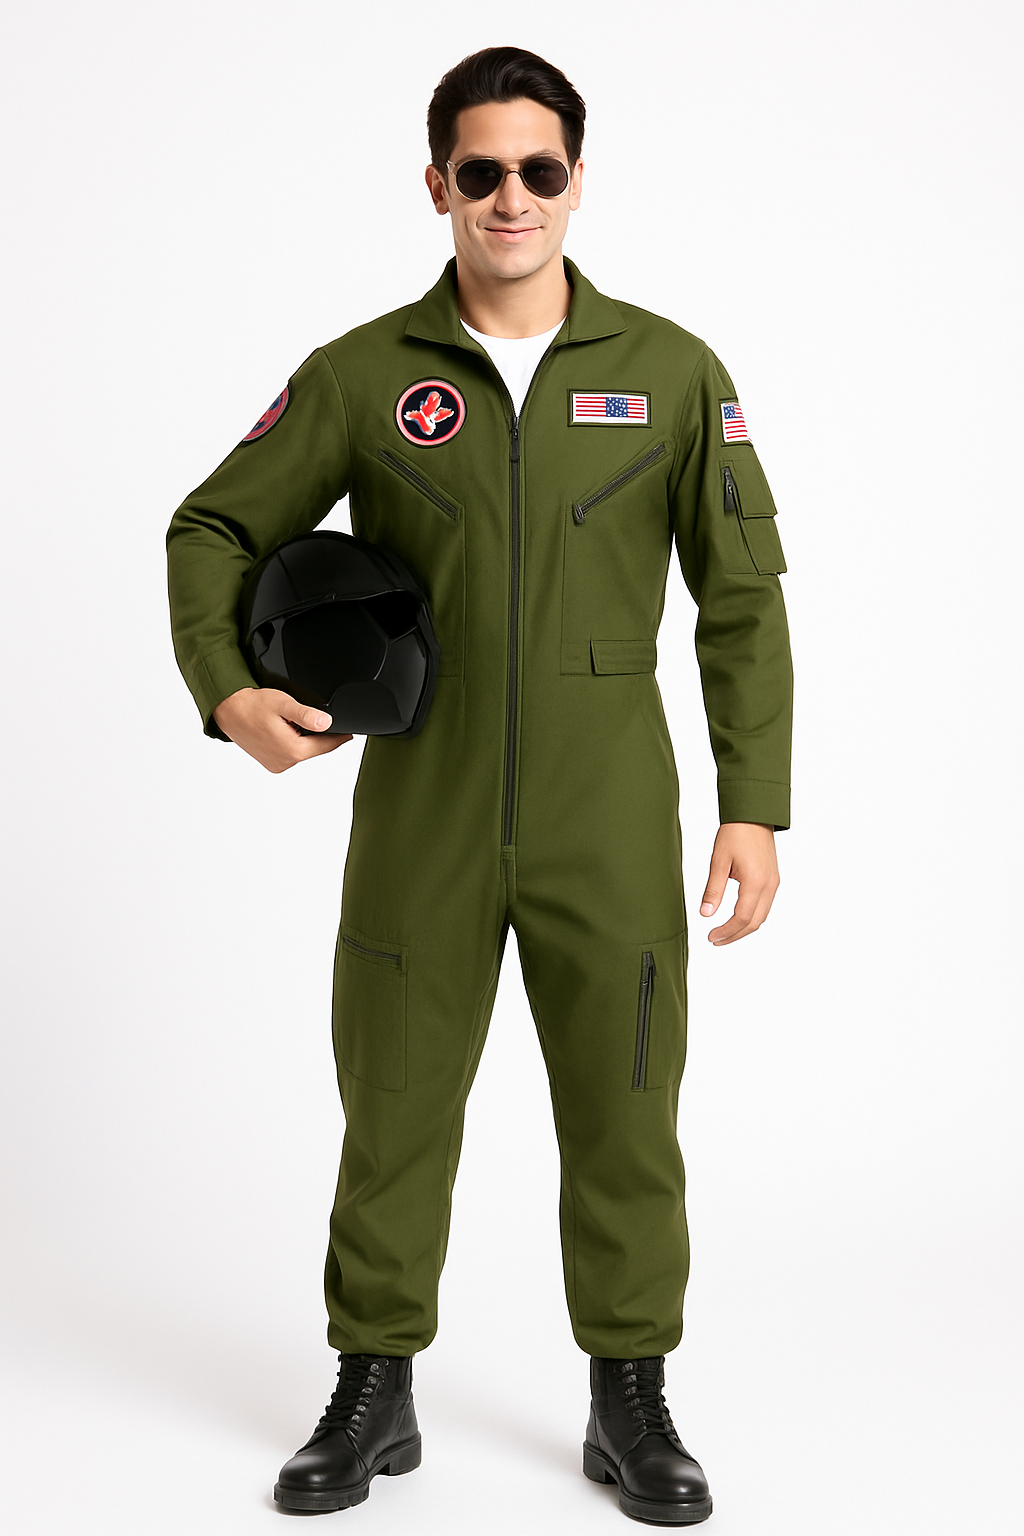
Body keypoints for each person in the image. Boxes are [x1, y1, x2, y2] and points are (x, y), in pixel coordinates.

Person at [166, 45, 792, 1526]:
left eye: (540, 169)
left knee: (627, 1111)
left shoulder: (671, 373)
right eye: (482, 170)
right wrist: (229, 688)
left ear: (578, 182)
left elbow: (741, 600)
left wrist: (753, 803)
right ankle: (372, 1389)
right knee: (392, 1104)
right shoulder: (364, 376)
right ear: (438, 184)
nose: (513, 197)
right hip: (423, 812)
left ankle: (629, 1397)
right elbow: (212, 527)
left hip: (607, 812)